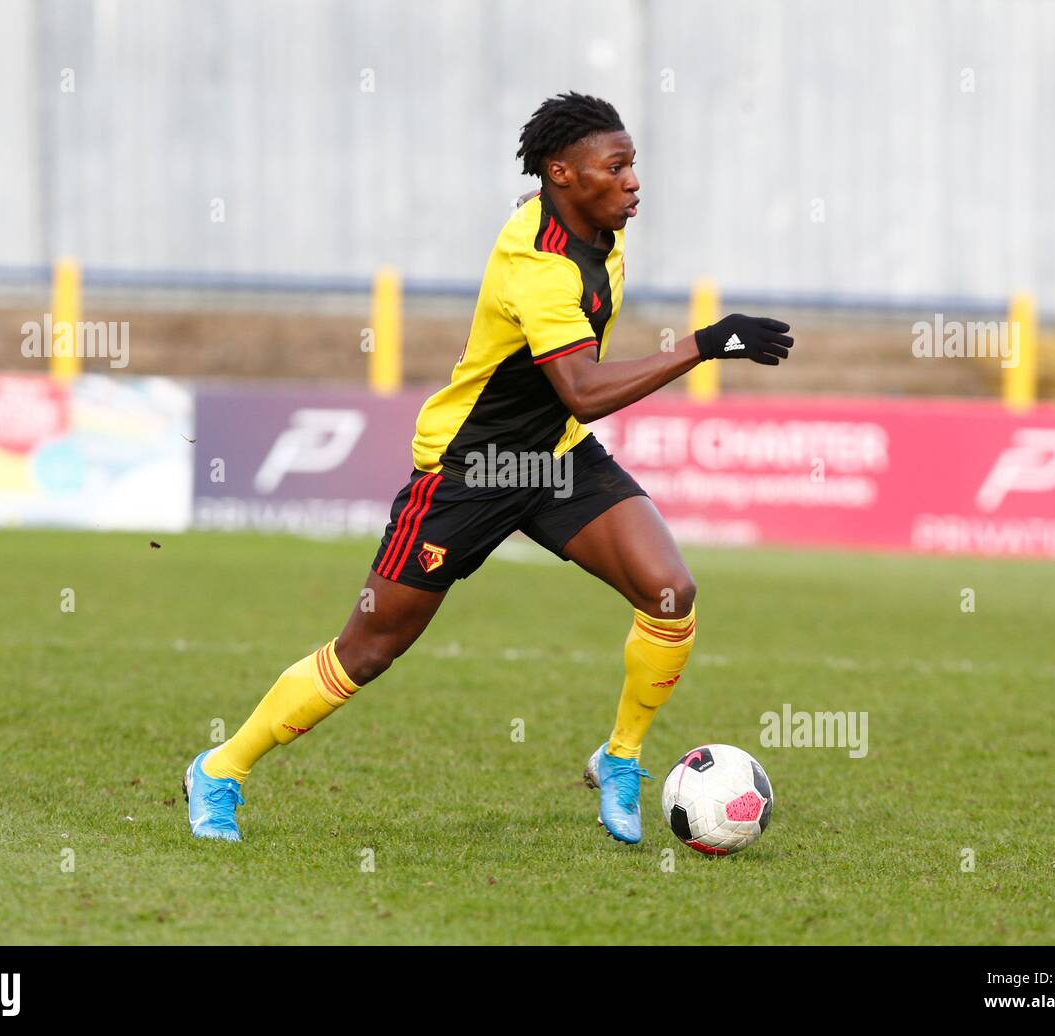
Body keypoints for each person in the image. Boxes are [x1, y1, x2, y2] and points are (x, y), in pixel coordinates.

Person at [184, 91, 793, 844]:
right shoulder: (539, 268)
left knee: (669, 591)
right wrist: (704, 343)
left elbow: (569, 398)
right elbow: (585, 390)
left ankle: (621, 757)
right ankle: (220, 770)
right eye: (618, 167)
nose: (635, 182)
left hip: (556, 458)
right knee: (367, 651)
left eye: (634, 163)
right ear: (563, 174)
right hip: (470, 470)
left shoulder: (591, 218)